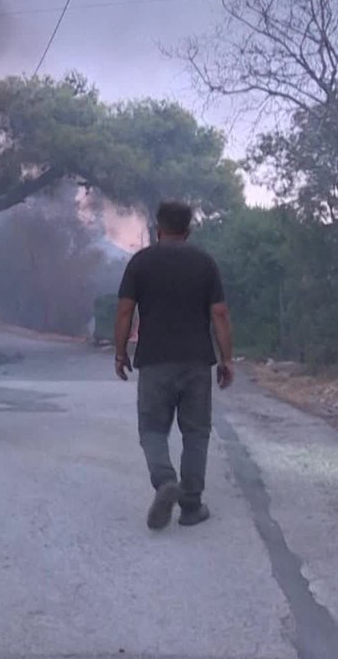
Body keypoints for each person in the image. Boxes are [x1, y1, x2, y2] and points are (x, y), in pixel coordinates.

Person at [113, 200, 234, 530]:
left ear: (158, 229)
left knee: (152, 430)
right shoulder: (205, 263)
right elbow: (219, 314)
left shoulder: (141, 263)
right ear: (188, 230)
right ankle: (191, 506)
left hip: (154, 361)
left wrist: (121, 353)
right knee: (196, 432)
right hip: (196, 361)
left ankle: (165, 480)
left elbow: (125, 311)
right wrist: (226, 359)